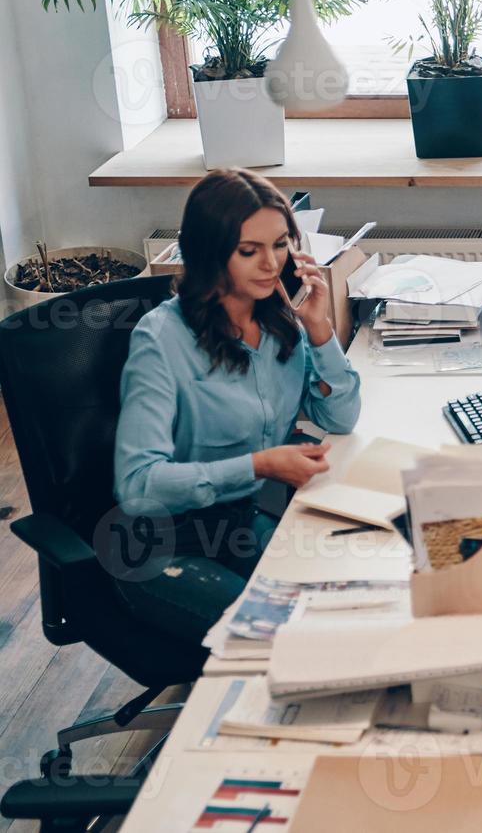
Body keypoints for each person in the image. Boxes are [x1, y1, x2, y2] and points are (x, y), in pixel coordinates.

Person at [113, 169, 361, 641]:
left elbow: (341, 417)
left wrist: (320, 330)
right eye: (249, 251)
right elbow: (136, 485)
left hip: (240, 522)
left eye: (280, 244)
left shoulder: (277, 318)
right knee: (279, 637)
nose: (271, 264)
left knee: (342, 605)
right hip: (163, 545)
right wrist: (259, 466)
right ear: (210, 252)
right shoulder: (161, 339)